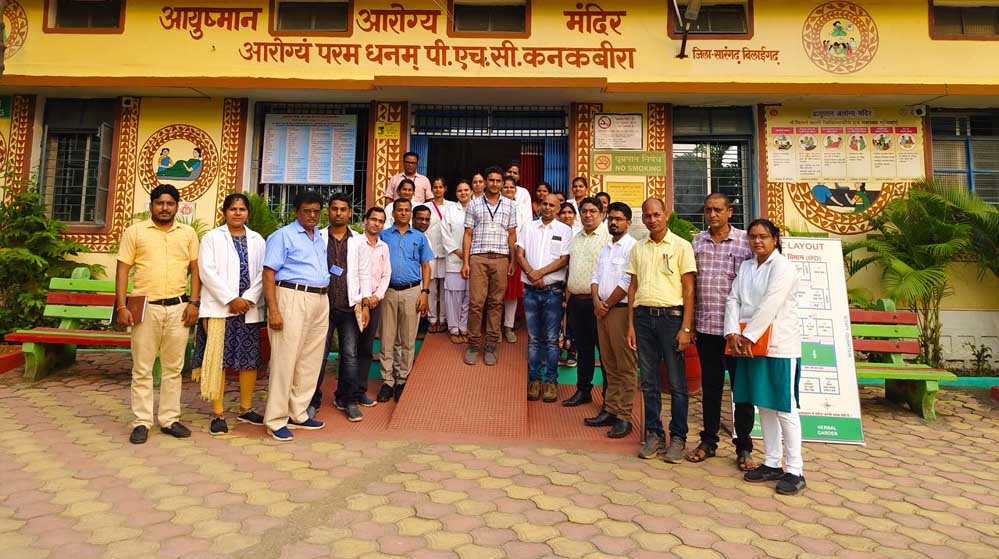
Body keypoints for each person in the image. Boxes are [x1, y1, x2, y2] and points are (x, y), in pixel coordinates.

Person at [116, 184, 201, 444]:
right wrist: (121, 306)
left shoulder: (187, 234)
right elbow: (122, 270)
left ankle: (169, 419)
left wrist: (194, 302)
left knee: (173, 368)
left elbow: (196, 269)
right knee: (142, 368)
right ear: (152, 205)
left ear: (177, 206)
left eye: (170, 204)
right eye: (160, 203)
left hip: (178, 308)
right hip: (144, 307)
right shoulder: (135, 232)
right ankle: (142, 422)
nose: (165, 208)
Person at [726, 219, 805, 495]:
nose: (757, 241)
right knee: (765, 405)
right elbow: (733, 299)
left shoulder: (782, 267)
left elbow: (771, 304)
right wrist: (732, 332)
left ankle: (795, 469)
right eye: (752, 237)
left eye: (763, 236)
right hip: (749, 344)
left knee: (785, 407)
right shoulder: (747, 266)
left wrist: (747, 337)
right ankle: (772, 462)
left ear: (775, 239)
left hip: (779, 346)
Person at [686, 193, 756, 469]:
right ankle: (708, 441)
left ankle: (744, 447)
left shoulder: (745, 242)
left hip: (736, 332)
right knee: (711, 389)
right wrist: (690, 324)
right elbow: (691, 285)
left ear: (729, 212)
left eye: (717, 210)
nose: (712, 215)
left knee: (742, 390)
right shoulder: (697, 242)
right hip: (706, 328)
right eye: (708, 210)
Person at [626, 197, 696, 463]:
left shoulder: (681, 246)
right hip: (643, 319)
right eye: (647, 215)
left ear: (665, 214)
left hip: (671, 319)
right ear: (642, 218)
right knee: (649, 382)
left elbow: (689, 288)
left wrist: (686, 327)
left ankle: (678, 437)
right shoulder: (638, 248)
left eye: (656, 214)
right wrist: (631, 325)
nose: (652, 219)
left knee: (677, 383)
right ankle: (655, 434)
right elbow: (633, 286)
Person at [192, 193, 266, 436]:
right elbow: (206, 271)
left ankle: (245, 408)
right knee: (219, 360)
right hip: (220, 308)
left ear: (247, 213)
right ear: (224, 212)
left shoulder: (257, 240)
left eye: (242, 209)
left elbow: (263, 273)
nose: (237, 213)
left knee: (248, 359)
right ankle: (218, 413)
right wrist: (230, 299)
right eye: (233, 209)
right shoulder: (212, 238)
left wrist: (248, 298)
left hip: (248, 308)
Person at [262, 191, 329, 442]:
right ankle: (276, 419)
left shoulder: (318, 237)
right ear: (296, 212)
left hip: (319, 299)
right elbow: (268, 273)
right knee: (285, 359)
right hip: (292, 297)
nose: (312, 216)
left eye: (316, 211)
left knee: (310, 359)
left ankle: (298, 412)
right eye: (306, 211)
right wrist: (273, 310)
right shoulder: (283, 236)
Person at [310, 193, 371, 423]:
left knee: (350, 355)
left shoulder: (358, 241)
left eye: (343, 209)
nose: (338, 213)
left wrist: (365, 304)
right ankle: (312, 401)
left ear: (349, 212)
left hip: (349, 306)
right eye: (334, 208)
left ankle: (347, 400)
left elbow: (364, 273)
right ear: (328, 211)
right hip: (322, 306)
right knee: (318, 356)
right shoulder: (317, 237)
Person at [587, 202, 638, 437]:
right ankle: (610, 409)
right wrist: (596, 302)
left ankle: (624, 417)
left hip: (620, 311)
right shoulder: (606, 247)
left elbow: (628, 282)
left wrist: (606, 304)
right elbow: (595, 275)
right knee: (609, 364)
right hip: (601, 311)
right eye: (611, 219)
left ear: (628, 222)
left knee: (625, 366)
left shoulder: (632, 247)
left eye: (619, 219)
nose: (614, 222)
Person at [516, 193, 572, 403]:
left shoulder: (565, 230)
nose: (547, 207)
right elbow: (519, 254)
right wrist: (532, 274)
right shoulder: (528, 227)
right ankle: (534, 380)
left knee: (551, 340)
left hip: (553, 292)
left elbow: (564, 260)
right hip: (530, 291)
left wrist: (539, 273)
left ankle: (550, 381)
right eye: (544, 204)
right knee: (533, 340)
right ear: (539, 206)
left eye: (552, 205)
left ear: (558, 209)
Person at [378, 198, 434, 402]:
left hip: (412, 291)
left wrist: (425, 292)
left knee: (408, 339)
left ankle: (402, 379)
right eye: (399, 210)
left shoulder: (419, 237)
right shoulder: (383, 236)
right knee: (387, 337)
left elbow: (426, 266)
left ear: (410, 213)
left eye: (406, 210)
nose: (403, 213)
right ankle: (387, 381)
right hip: (388, 292)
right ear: (393, 213)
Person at [462, 166, 518, 366]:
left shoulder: (510, 205)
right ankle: (473, 344)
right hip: (478, 257)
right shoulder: (474, 204)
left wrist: (513, 261)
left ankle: (491, 345)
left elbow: (512, 234)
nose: (495, 184)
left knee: (496, 302)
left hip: (501, 258)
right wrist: (466, 262)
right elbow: (468, 234)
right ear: (485, 182)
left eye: (498, 181)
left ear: (502, 183)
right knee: (476, 303)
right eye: (491, 180)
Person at [563, 197, 609, 407]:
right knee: (583, 349)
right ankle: (583, 390)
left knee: (605, 352)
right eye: (584, 211)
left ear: (602, 214)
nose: (588, 215)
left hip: (597, 304)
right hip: (576, 302)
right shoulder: (576, 237)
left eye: (593, 211)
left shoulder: (608, 238)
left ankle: (609, 398)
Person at [356, 207, 392, 407]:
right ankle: (345, 390)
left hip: (375, 302)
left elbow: (387, 274)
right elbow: (353, 273)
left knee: (366, 347)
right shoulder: (355, 243)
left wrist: (377, 296)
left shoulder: (384, 247)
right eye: (373, 219)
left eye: (380, 221)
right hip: (356, 302)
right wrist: (364, 298)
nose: (376, 223)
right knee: (350, 348)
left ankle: (360, 390)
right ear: (365, 220)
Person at [502, 175, 532, 343]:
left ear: (516, 190)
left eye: (511, 187)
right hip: (498, 253)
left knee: (512, 293)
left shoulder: (521, 207)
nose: (508, 190)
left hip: (516, 253)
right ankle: (495, 327)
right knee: (496, 292)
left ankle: (508, 326)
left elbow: (526, 229)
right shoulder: (495, 205)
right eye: (505, 187)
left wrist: (519, 253)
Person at [443, 180, 473, 344]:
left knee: (470, 295)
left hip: (474, 259)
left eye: (466, 190)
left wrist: (470, 254)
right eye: (460, 190)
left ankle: (464, 327)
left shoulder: (477, 208)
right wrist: (459, 252)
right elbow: (445, 234)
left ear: (471, 192)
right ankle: (454, 328)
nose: (463, 193)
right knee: (454, 296)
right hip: (455, 259)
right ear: (456, 193)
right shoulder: (450, 210)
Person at [425, 178, 456, 334]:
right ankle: (432, 319)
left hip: (447, 252)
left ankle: (443, 318)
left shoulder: (453, 206)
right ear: (432, 189)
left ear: (445, 188)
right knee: (431, 288)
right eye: (435, 187)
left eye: (440, 187)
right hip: (430, 251)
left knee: (444, 288)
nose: (438, 190)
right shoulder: (426, 206)